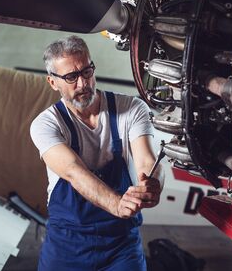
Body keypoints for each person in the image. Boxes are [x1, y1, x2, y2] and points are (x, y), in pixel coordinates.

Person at [30, 35, 164, 271]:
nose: (83, 84)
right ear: (53, 83)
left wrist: (153, 183)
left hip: (120, 242)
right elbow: (73, 172)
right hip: (67, 243)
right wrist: (116, 204)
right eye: (71, 77)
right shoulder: (46, 124)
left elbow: (147, 160)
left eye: (87, 72)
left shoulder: (131, 108)